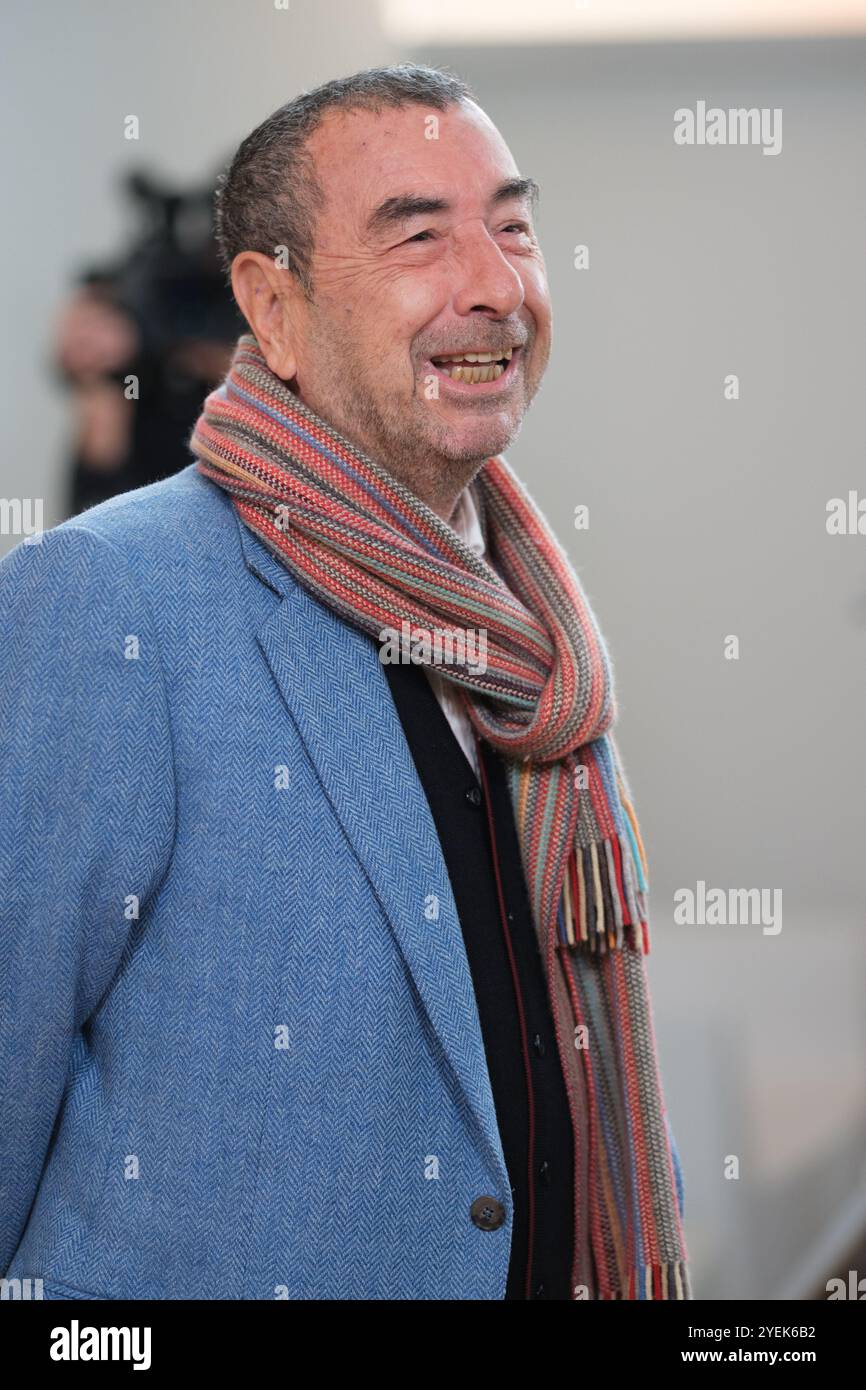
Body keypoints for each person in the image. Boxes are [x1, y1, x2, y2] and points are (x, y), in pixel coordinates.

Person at [0, 63, 690, 1301]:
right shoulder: (108, 597)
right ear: (271, 307)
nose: (494, 287)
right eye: (420, 237)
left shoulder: (539, 636)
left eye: (514, 229)